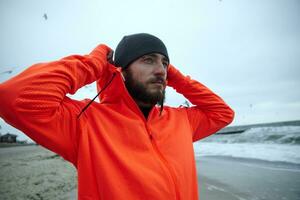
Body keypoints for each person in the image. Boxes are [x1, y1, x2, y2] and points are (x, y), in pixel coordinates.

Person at [0, 33, 234, 200]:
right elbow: (13, 97)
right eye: (148, 60)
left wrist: (175, 76)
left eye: (165, 63)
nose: (161, 70)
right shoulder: (86, 122)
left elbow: (222, 113)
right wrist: (94, 63)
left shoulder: (180, 121)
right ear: (120, 71)